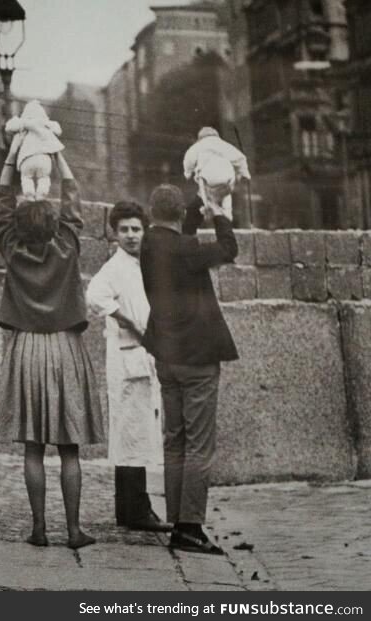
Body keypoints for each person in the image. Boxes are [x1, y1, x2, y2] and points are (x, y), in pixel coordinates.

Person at [0, 142, 104, 550]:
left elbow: (1, 207)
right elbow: (73, 202)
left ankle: (39, 528)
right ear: (56, 225)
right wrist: (58, 154)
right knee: (69, 448)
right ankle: (74, 531)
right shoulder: (68, 246)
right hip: (64, 348)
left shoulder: (11, 248)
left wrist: (12, 155)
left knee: (33, 448)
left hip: (26, 349)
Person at [140, 185, 238, 555]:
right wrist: (220, 214)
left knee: (175, 441)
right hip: (197, 358)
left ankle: (176, 520)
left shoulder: (150, 243)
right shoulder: (186, 250)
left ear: (151, 212)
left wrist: (201, 198)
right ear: (179, 214)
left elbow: (184, 232)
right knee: (199, 445)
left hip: (166, 356)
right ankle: (191, 527)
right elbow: (229, 249)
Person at [86, 201, 172, 532]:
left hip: (143, 355)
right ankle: (136, 509)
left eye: (136, 229)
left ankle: (129, 508)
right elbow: (94, 296)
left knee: (137, 433)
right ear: (114, 233)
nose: (131, 235)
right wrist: (128, 320)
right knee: (131, 432)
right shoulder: (115, 267)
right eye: (124, 229)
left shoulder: (143, 263)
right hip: (127, 355)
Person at [183, 126, 251, 221]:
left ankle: (207, 205)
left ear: (200, 139)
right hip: (227, 179)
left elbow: (188, 159)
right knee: (227, 194)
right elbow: (240, 158)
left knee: (200, 177)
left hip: (208, 179)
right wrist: (245, 173)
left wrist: (188, 173)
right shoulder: (224, 145)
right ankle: (228, 211)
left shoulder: (198, 146)